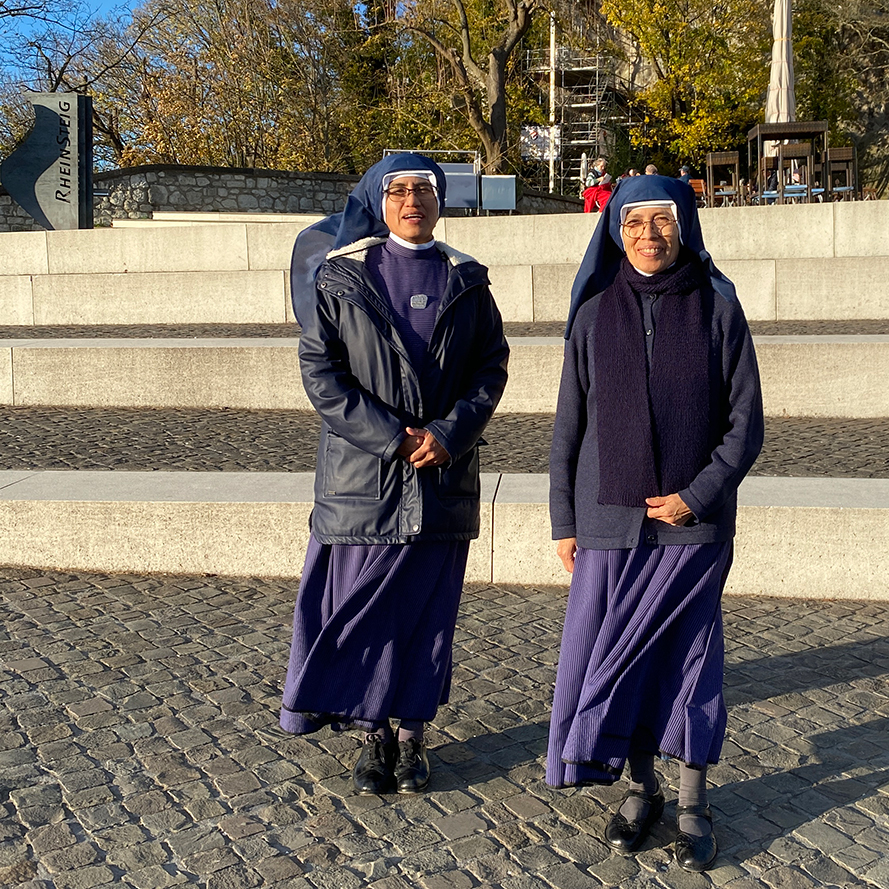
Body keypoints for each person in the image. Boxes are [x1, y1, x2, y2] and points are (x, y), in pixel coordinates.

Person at [545, 176, 764, 872]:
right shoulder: (591, 317)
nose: (647, 233)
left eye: (660, 220)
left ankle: (695, 801)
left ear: (684, 224)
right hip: (608, 523)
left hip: (691, 528)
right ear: (615, 230)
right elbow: (568, 429)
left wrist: (695, 496)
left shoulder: (718, 308)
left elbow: (745, 424)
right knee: (627, 661)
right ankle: (642, 789)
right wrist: (563, 519)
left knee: (693, 661)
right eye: (633, 221)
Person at [280, 153, 509, 794]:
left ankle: (412, 740)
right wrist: (390, 437)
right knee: (367, 618)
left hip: (441, 482)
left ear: (441, 201)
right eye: (398, 190)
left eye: (424, 189)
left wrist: (449, 433)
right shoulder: (339, 279)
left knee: (426, 621)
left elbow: (490, 367)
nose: (412, 200)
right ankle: (372, 738)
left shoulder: (468, 280)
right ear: (378, 202)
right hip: (363, 484)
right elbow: (321, 375)